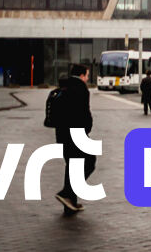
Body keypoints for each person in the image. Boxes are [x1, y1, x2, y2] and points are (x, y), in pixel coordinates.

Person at [54, 64, 95, 215]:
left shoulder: (64, 86)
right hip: (77, 135)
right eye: (87, 75)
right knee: (90, 162)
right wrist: (87, 128)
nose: (88, 78)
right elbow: (83, 113)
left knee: (72, 166)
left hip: (62, 134)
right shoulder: (81, 88)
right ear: (82, 75)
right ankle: (67, 192)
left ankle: (70, 204)